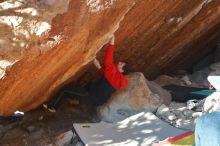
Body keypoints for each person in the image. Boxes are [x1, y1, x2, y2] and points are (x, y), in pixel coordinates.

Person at [43, 35, 129, 112]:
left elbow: (108, 61)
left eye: (122, 64)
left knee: (65, 89)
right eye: (121, 62)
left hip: (89, 96)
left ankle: (53, 107)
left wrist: (112, 42)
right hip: (95, 99)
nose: (119, 63)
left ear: (122, 71)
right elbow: (105, 77)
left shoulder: (116, 75)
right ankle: (74, 102)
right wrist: (97, 64)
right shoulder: (118, 80)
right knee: (76, 89)